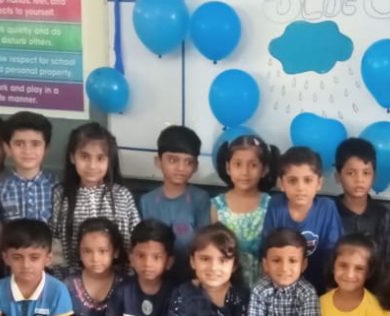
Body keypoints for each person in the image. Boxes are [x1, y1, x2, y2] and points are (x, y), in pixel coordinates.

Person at [51, 122, 140, 270]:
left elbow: (134, 241)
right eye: (84, 157)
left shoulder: (122, 195)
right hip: (73, 278)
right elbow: (55, 242)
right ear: (72, 157)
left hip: (118, 277)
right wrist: (63, 278)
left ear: (109, 161)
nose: (92, 166)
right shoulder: (61, 195)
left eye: (100, 158)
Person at [262, 146, 343, 293]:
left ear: (319, 183)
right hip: (282, 285)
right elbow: (268, 251)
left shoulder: (327, 208)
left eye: (307, 180)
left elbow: (334, 254)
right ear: (282, 184)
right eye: (293, 181)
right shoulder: (275, 205)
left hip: (320, 286)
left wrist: (331, 289)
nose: (300, 187)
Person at [0, 111, 58, 274]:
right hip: (13, 268)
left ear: (46, 148)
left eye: (35, 144)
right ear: (7, 148)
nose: (27, 151)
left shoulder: (57, 186)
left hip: (50, 269)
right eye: (19, 144)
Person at [140, 124, 210, 282]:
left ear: (196, 166)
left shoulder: (200, 199)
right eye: (173, 160)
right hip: (155, 280)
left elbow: (204, 245)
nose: (181, 168)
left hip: (191, 279)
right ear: (158, 161)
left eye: (188, 162)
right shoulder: (146, 201)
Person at [210, 133, 276, 286]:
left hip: (263, 286)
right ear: (228, 167)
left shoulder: (270, 205)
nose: (245, 172)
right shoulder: (217, 206)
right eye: (238, 164)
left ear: (264, 169)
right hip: (227, 284)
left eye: (253, 165)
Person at [108, 219, 174, 316]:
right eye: (141, 256)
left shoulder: (173, 294)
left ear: (169, 262)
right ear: (131, 258)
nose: (147, 263)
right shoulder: (122, 291)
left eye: (156, 257)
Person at [334, 137, 386, 239]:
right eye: (351, 173)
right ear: (338, 176)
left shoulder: (383, 215)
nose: (359, 180)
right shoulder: (329, 212)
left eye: (366, 173)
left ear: (374, 176)